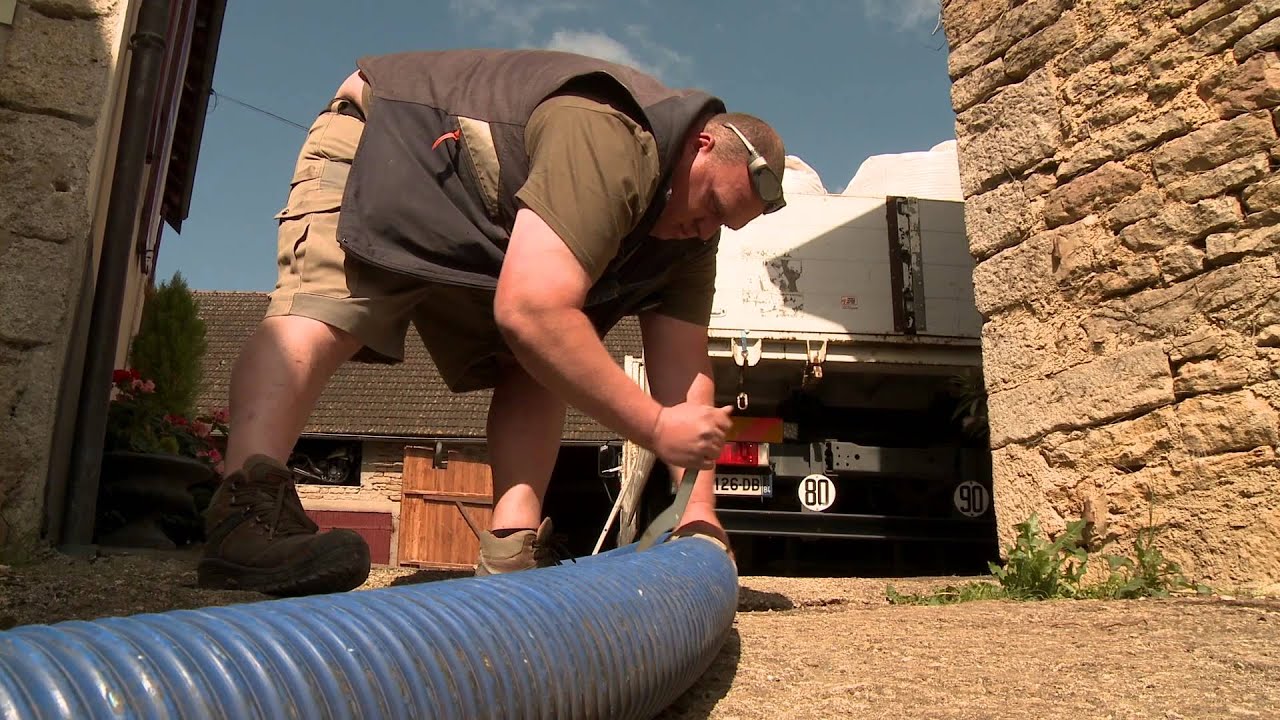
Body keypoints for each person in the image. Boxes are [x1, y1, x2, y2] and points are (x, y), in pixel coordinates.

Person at [197, 49, 786, 596]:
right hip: (393, 139)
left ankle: (512, 550)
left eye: (725, 226)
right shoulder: (610, 137)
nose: (705, 231)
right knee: (328, 310)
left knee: (541, 361)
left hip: (488, 208)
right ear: (701, 146)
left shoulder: (689, 239)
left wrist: (699, 513)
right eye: (710, 205)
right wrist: (655, 427)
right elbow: (532, 311)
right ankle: (247, 514)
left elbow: (683, 372)